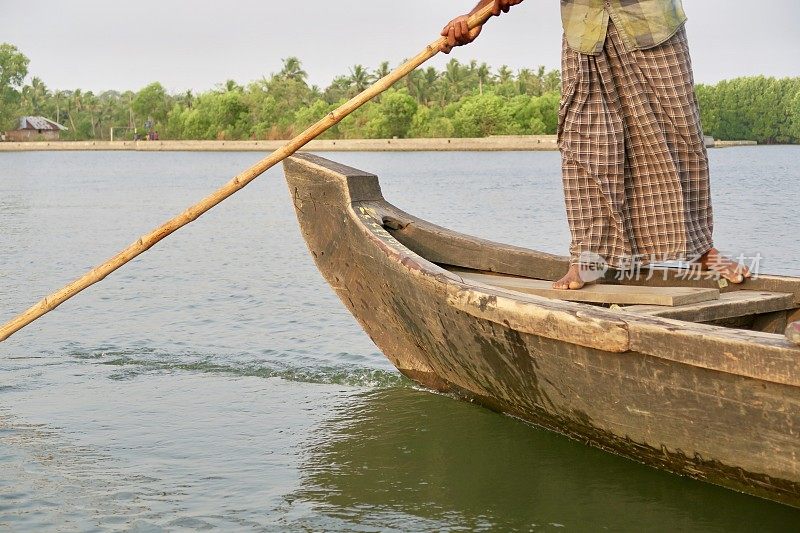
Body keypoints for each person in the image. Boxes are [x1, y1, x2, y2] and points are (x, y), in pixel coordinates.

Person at [441, 0, 751, 290]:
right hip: (585, 31)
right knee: (585, 143)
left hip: (651, 23)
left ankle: (700, 250)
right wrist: (476, 14)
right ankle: (589, 258)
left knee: (681, 134)